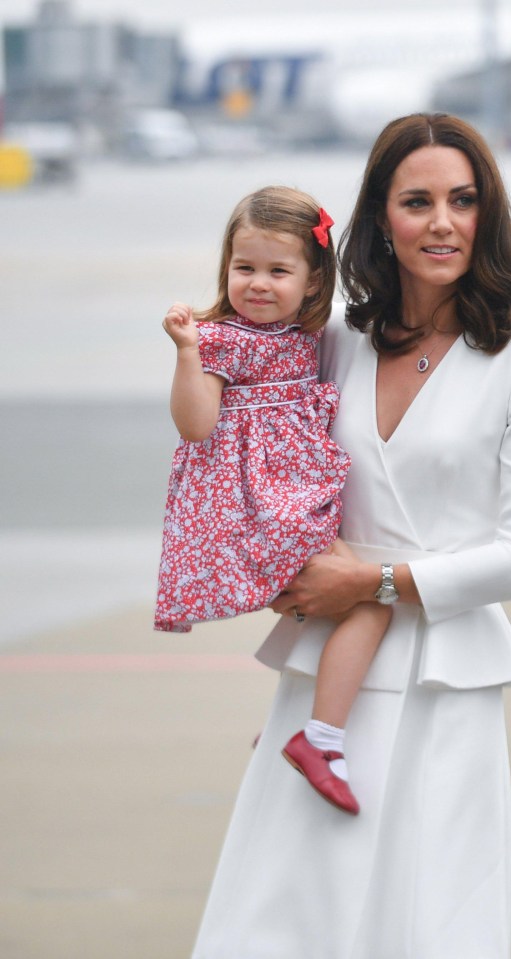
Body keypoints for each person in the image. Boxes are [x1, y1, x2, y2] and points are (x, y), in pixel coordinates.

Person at [190, 114, 511, 959]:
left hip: (441, 681)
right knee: (283, 920)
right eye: (417, 201)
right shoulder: (336, 342)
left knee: (426, 921)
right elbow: (262, 458)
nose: (442, 222)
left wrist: (373, 585)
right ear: (380, 219)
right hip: (324, 681)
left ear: (488, 214)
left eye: (463, 200)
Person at [155, 185, 392, 815]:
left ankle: (294, 721)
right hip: (261, 508)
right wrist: (187, 352)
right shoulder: (220, 340)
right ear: (226, 268)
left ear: (314, 283)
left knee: (330, 605)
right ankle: (321, 740)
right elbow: (195, 424)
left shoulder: (312, 336)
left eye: (278, 270)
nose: (258, 284)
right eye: (244, 268)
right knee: (370, 601)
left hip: (297, 496)